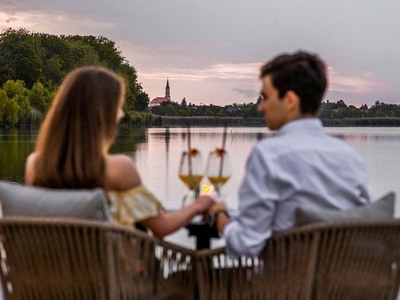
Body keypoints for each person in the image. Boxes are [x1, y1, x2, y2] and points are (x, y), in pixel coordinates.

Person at [208, 51, 371, 258]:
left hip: (283, 287)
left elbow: (246, 246)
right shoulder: (350, 157)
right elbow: (368, 225)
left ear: (290, 100)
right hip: (343, 286)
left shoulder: (268, 155)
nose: (261, 107)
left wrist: (220, 219)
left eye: (266, 97)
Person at [25, 66, 214, 238]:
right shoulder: (118, 169)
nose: (120, 116)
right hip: (108, 273)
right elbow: (162, 226)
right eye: (117, 109)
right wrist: (200, 204)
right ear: (103, 116)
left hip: (49, 274)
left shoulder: (35, 164)